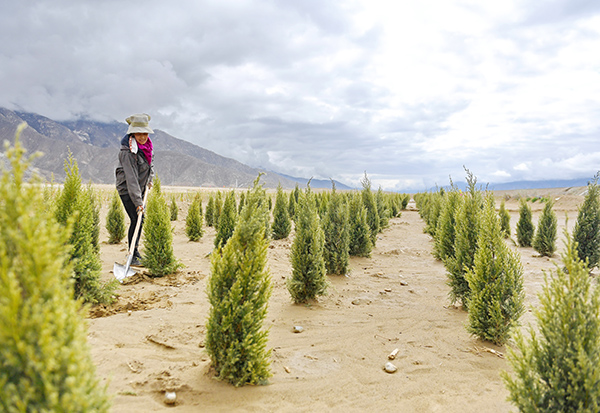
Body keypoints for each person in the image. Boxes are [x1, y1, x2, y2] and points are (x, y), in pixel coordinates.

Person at [115, 113, 154, 266]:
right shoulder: (127, 151)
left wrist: (150, 180)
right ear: (132, 133)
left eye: (145, 133)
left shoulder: (147, 146)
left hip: (140, 187)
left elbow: (150, 165)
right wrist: (138, 202)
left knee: (140, 219)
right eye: (139, 133)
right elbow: (131, 178)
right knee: (137, 218)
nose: (143, 136)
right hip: (127, 189)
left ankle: (134, 252)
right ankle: (133, 254)